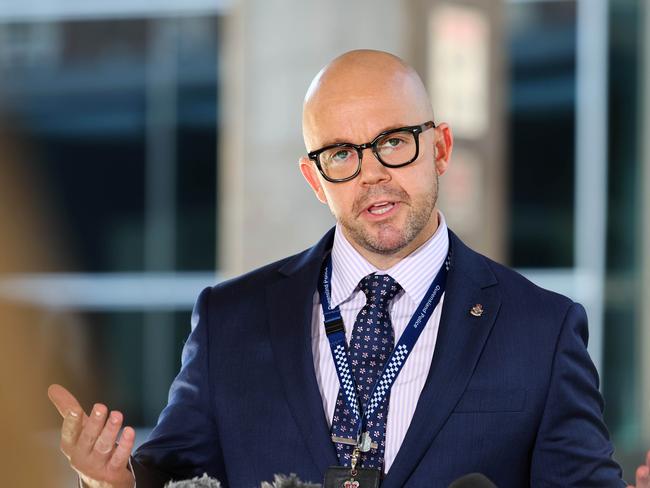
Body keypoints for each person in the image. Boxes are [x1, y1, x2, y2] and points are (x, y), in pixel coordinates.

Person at [49, 49, 650, 487]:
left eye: (393, 141)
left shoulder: (540, 329)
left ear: (439, 147)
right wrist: (110, 481)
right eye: (341, 154)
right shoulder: (229, 320)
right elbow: (172, 477)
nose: (371, 174)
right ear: (315, 179)